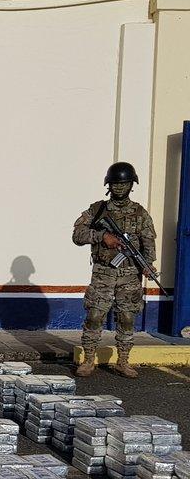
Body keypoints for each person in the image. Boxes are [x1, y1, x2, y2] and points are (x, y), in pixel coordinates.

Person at [72, 161, 157, 379]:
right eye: (115, 184)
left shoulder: (140, 213)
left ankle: (123, 362)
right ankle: (88, 361)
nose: (119, 187)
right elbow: (77, 235)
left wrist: (148, 265)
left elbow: (148, 242)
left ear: (131, 185)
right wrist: (102, 236)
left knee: (127, 318)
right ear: (108, 185)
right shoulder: (97, 210)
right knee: (94, 315)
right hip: (103, 272)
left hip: (129, 275)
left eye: (124, 183)